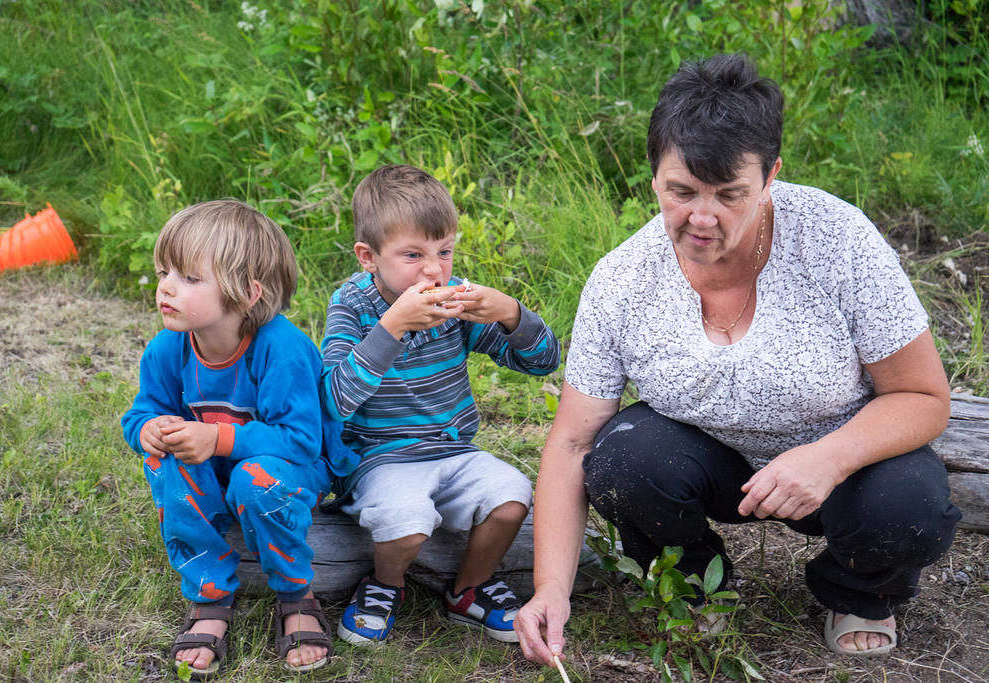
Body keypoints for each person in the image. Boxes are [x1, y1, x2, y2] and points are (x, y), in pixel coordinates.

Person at [515, 54, 960, 664]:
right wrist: (549, 589)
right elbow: (570, 444)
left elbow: (924, 397)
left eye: (730, 195)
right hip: (712, 463)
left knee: (911, 506)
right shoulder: (622, 278)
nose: (702, 218)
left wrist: (827, 458)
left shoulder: (838, 239)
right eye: (681, 192)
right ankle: (697, 578)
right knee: (619, 459)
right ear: (653, 179)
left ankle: (858, 588)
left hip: (845, 462)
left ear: (770, 176)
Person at [320, 164, 561, 647]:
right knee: (406, 523)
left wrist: (512, 313)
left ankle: (467, 589)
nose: (434, 270)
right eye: (413, 254)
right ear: (369, 256)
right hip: (376, 459)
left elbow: (543, 363)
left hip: (450, 452)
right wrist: (393, 326)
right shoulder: (353, 305)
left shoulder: (455, 306)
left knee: (512, 496)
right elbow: (335, 398)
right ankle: (385, 585)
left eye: (444, 251)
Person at [121, 200, 359, 678]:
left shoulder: (281, 349)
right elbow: (144, 411)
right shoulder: (169, 346)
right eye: (165, 271)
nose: (166, 287)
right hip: (216, 461)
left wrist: (218, 439)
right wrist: (147, 430)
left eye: (189, 278)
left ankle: (295, 594)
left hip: (290, 463)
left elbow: (300, 442)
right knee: (166, 460)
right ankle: (209, 597)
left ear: (248, 293)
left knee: (257, 477)